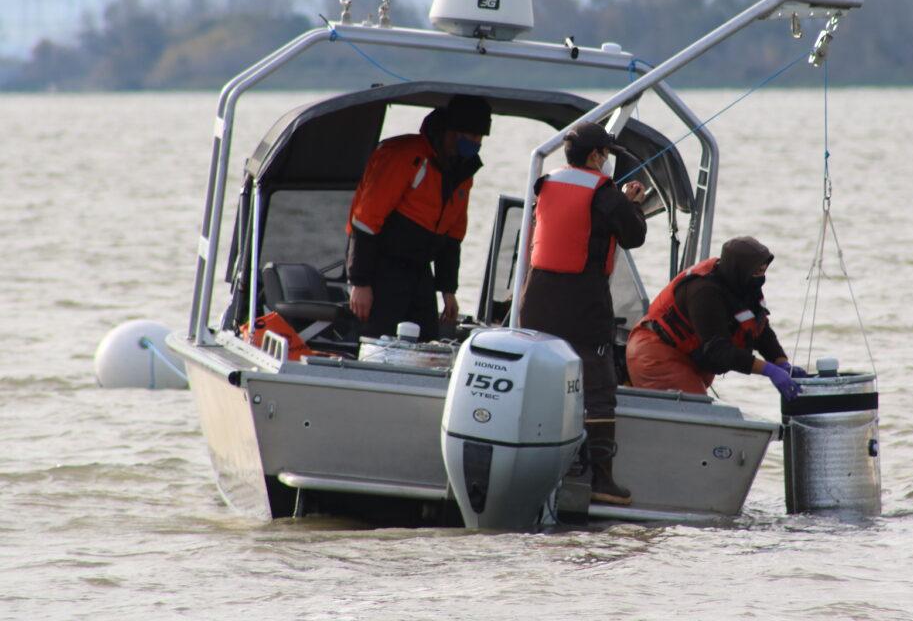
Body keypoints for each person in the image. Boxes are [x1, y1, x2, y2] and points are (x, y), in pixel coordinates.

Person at [519, 122, 647, 506]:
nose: (607, 161)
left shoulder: (545, 183)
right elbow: (634, 235)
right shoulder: (605, 193)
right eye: (606, 154)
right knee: (599, 384)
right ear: (595, 157)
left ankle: (534, 464)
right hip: (582, 299)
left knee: (542, 378)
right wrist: (632, 203)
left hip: (536, 297)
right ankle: (602, 480)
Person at [345, 95, 492, 341]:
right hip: (381, 266)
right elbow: (366, 220)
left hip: (420, 269)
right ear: (450, 132)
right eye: (470, 136)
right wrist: (360, 283)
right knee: (376, 340)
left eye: (480, 138)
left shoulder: (463, 171)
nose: (475, 143)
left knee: (428, 341)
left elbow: (453, 236)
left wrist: (448, 291)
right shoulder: (404, 155)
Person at [625, 236, 805, 401]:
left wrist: (781, 363)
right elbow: (719, 352)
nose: (761, 277)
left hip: (690, 357)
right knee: (695, 409)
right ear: (740, 270)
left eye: (764, 271)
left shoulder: (743, 284)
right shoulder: (704, 292)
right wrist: (768, 370)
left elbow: (759, 330)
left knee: (698, 404)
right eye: (756, 271)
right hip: (656, 352)